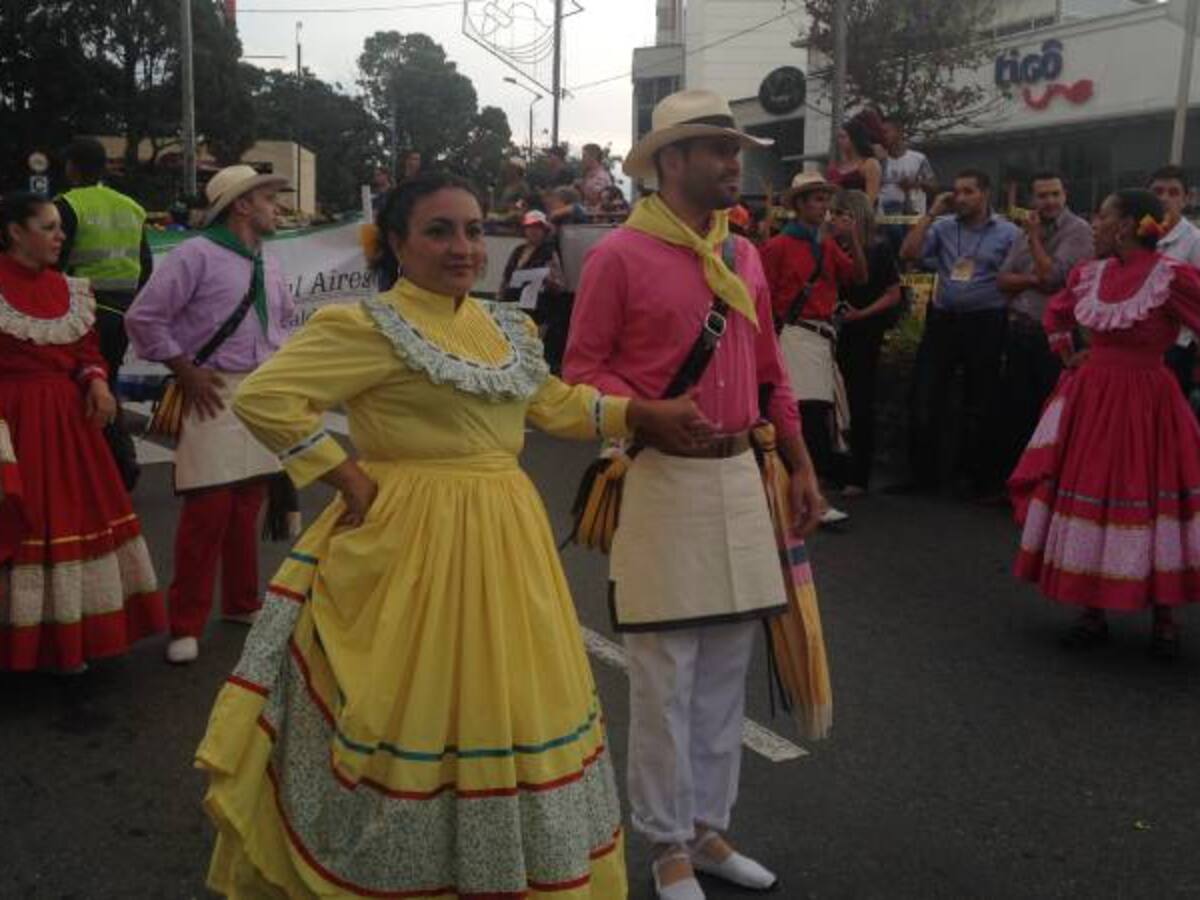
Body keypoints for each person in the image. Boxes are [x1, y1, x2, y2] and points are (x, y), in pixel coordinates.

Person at [194, 171, 710, 897]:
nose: (463, 246)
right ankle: (407, 869)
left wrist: (638, 415)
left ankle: (498, 868)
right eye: (439, 231)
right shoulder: (367, 325)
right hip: (411, 542)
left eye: (472, 229)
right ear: (396, 244)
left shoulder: (508, 327)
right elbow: (267, 395)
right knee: (414, 703)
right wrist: (345, 476)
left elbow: (553, 406)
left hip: (506, 531)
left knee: (509, 696)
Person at [565, 89, 824, 900]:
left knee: (724, 673)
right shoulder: (617, 257)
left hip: (745, 476)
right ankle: (667, 845)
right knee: (664, 676)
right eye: (714, 148)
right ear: (669, 161)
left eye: (734, 148)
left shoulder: (745, 256)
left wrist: (804, 464)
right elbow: (578, 377)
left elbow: (773, 374)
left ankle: (710, 831)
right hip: (662, 479)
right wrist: (642, 411)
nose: (731, 162)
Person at [1009, 189, 1200, 660]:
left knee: (1149, 496)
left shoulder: (1170, 276)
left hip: (1148, 400)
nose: (1095, 223)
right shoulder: (1089, 274)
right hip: (1094, 398)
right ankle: (1094, 610)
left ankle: (1164, 617)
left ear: (1127, 225)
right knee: (1095, 494)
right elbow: (1056, 313)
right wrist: (1068, 354)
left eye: (1104, 216)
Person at [125, 165, 296, 665]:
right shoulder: (195, 254)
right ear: (242, 205)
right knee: (208, 513)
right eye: (269, 198)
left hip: (262, 393)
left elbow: (281, 325)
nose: (278, 207)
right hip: (212, 392)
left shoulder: (270, 259)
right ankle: (186, 623)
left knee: (248, 505)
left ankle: (243, 603)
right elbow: (143, 317)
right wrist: (186, 369)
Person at [0, 192, 164, 672]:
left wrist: (95, 381)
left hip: (68, 426)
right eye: (49, 227)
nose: (60, 235)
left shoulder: (71, 289)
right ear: (15, 232)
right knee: (21, 521)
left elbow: (86, 351)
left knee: (70, 519)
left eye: (59, 227)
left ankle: (71, 637)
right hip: (13, 425)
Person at [899, 169, 1019, 497]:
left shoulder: (1008, 232)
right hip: (944, 319)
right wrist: (932, 212)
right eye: (957, 192)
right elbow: (909, 253)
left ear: (985, 194)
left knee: (981, 400)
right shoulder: (943, 226)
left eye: (969, 191)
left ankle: (977, 479)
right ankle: (923, 476)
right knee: (925, 395)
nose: (961, 198)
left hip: (986, 320)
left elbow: (1015, 276)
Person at [761, 172, 867, 523]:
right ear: (800, 204)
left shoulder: (826, 245)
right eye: (817, 199)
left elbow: (858, 278)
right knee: (805, 414)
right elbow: (762, 294)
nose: (824, 206)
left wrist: (852, 236)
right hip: (795, 334)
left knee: (811, 414)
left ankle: (801, 492)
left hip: (820, 336)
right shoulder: (779, 245)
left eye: (825, 199)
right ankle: (809, 495)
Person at [55, 137, 153, 490]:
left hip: (81, 313)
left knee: (79, 389)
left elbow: (54, 263)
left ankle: (105, 467)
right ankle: (120, 464)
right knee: (105, 385)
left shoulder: (67, 205)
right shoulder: (132, 207)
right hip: (122, 312)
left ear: (73, 168)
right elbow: (146, 265)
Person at [996, 172, 1094, 484]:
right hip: (1019, 330)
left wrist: (1036, 240)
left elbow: (1055, 279)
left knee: (1050, 413)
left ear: (1065, 195)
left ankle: (1049, 485)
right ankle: (1019, 483)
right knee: (1017, 409)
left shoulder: (1078, 231)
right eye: (1042, 196)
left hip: (1054, 337)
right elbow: (1002, 280)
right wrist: (1034, 279)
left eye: (1055, 194)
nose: (1049, 201)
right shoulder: (1024, 230)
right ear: (1032, 199)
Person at [831, 189, 902, 495]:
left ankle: (858, 474)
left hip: (865, 331)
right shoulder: (830, 247)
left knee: (860, 400)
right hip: (834, 329)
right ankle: (835, 467)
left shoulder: (879, 248)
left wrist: (862, 315)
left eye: (839, 214)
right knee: (833, 400)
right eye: (832, 214)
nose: (833, 220)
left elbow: (893, 293)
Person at [1148, 164, 1200, 400]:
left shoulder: (1194, 241)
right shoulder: (1137, 235)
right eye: (1158, 192)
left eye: (1173, 192)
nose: (1164, 199)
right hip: (1138, 342)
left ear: (1187, 198)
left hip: (1176, 345)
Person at [500, 209, 565, 319]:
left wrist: (550, 281)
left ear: (544, 230)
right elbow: (506, 278)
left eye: (538, 227)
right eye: (530, 226)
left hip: (536, 311)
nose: (534, 230)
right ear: (525, 229)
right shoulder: (518, 250)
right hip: (512, 307)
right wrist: (500, 298)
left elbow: (559, 286)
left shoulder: (549, 253)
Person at [877, 116, 935, 218]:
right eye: (880, 133)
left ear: (899, 132)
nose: (882, 136)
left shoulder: (918, 158)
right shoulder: (879, 160)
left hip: (913, 217)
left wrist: (914, 184)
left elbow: (933, 186)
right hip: (885, 219)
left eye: (886, 132)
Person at [826, 116, 882, 206]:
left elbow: (871, 199)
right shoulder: (835, 166)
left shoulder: (869, 164)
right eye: (838, 137)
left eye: (843, 137)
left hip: (859, 214)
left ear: (854, 138)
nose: (839, 141)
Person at [579, 142, 615, 208]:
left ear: (593, 157)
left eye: (584, 156)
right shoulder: (587, 175)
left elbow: (597, 198)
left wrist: (580, 188)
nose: (582, 159)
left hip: (597, 214)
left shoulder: (601, 176)